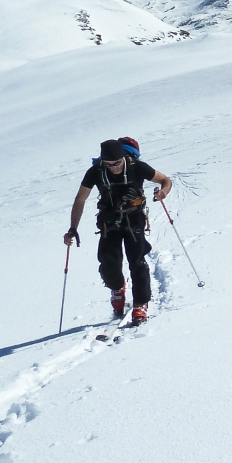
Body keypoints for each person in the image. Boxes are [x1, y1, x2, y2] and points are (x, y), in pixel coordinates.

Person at [64, 138, 172, 324]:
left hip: (134, 219)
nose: (113, 167)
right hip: (109, 220)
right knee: (108, 262)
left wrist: (163, 192)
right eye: (109, 164)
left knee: (137, 261)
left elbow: (165, 180)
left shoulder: (137, 167)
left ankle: (140, 304)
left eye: (116, 163)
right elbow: (80, 198)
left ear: (123, 157)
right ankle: (117, 288)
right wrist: (73, 228)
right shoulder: (96, 171)